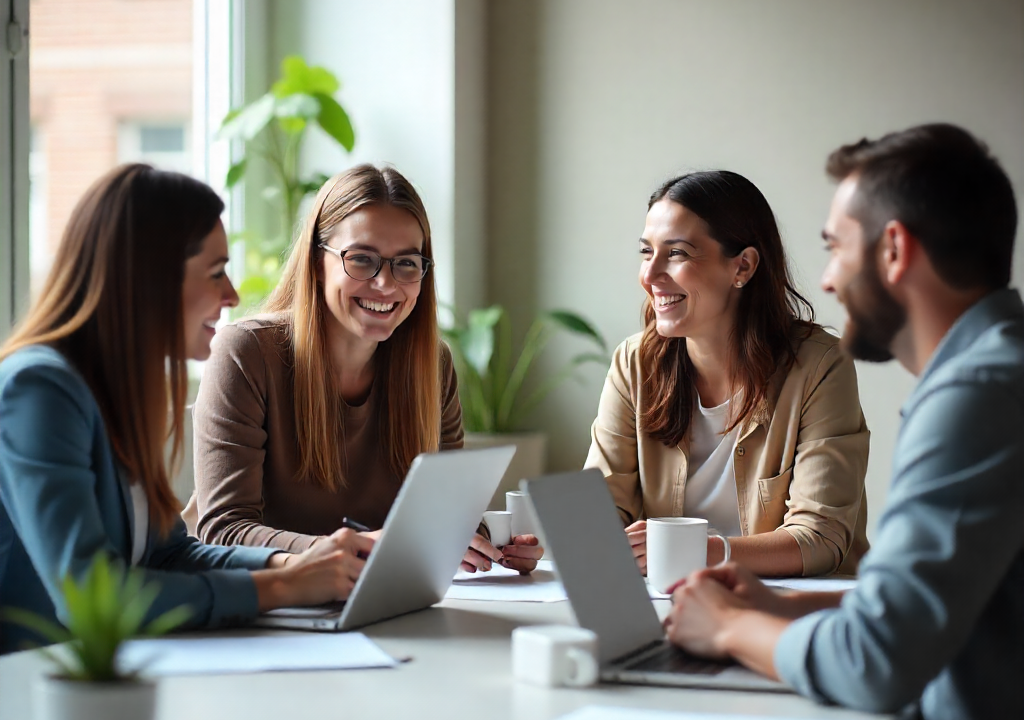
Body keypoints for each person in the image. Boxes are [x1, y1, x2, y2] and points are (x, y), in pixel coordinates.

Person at [664, 124, 1023, 720]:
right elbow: (934, 606)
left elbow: (876, 661)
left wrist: (729, 628)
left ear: (893, 250)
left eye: (836, 248)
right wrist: (782, 608)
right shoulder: (997, 371)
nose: (828, 280)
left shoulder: (977, 395)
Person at [0, 164, 375, 656]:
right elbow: (91, 595)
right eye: (216, 272)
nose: (232, 295)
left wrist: (297, 565)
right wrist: (281, 587)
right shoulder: (39, 389)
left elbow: (169, 554)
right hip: (33, 681)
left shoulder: (117, 394)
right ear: (148, 278)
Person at [183, 164, 541, 575]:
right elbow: (224, 531)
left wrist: (490, 543)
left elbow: (438, 519)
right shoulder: (246, 354)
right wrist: (360, 549)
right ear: (316, 262)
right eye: (362, 259)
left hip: (380, 598)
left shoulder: (432, 366)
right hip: (271, 601)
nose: (386, 284)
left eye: (406, 263)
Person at [585, 170, 869, 578]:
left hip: (794, 606)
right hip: (670, 601)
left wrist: (693, 552)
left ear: (743, 266)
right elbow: (600, 509)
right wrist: (535, 542)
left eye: (677, 253)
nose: (650, 275)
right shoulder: (634, 364)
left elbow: (820, 537)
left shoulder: (820, 367)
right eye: (647, 252)